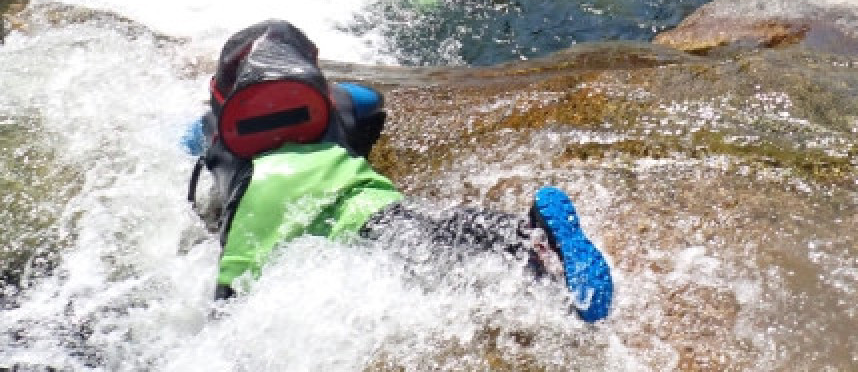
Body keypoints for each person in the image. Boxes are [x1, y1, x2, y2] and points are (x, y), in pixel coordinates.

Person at [185, 19, 613, 322]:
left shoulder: (213, 135)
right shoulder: (342, 106)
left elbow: (184, 144)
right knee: (433, 232)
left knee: (235, 316)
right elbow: (371, 99)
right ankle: (533, 238)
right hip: (355, 198)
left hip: (258, 222)